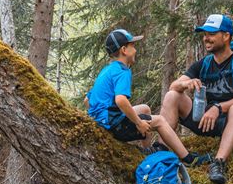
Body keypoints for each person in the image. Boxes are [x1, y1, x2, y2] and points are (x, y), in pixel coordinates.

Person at [160, 14, 233, 184]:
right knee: (172, 96)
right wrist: (186, 83)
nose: (206, 38)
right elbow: (173, 86)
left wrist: (218, 108)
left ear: (226, 36)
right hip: (208, 121)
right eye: (204, 34)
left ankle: (219, 163)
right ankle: (160, 152)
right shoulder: (203, 64)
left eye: (211, 34)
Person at [87, 29, 210, 166]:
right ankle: (189, 159)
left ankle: (148, 152)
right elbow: (121, 100)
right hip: (112, 124)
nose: (135, 50)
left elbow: (88, 100)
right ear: (124, 50)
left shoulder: (107, 70)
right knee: (160, 121)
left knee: (144, 109)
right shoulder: (122, 71)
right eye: (132, 46)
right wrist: (139, 123)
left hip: (102, 120)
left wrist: (97, 120)